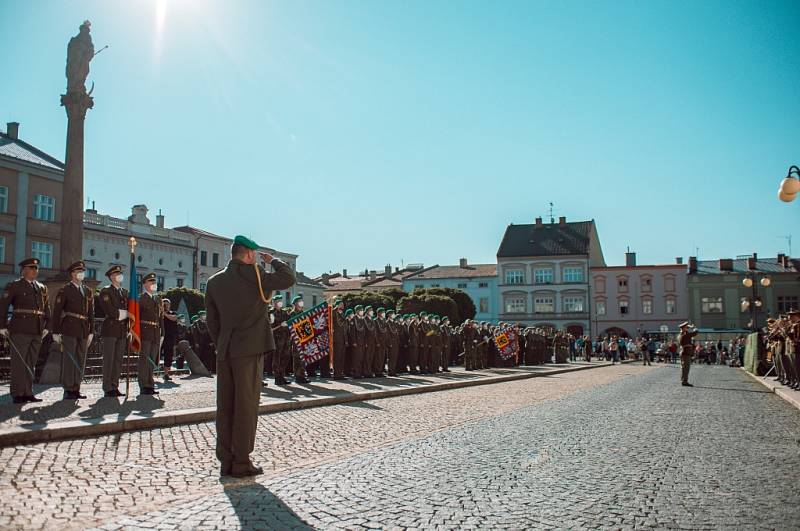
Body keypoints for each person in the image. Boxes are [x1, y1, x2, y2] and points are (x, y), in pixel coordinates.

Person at [205, 235, 295, 478]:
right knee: (245, 406)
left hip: (225, 350)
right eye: (254, 254)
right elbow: (289, 278)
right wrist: (273, 260)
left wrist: (222, 342)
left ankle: (226, 460)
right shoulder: (255, 276)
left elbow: (212, 321)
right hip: (250, 350)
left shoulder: (214, 281)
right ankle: (242, 461)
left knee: (225, 405)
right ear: (249, 254)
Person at [0, 258, 50, 403]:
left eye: (36, 268)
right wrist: (2, 326)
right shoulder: (14, 285)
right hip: (20, 328)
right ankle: (17, 393)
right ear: (24, 270)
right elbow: (3, 306)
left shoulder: (42, 287)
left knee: (31, 362)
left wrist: (47, 326)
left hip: (37, 328)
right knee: (19, 362)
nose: (35, 270)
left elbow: (47, 309)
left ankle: (28, 392)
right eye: (31, 267)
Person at [52, 261, 95, 400]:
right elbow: (57, 311)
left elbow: (91, 313)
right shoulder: (65, 290)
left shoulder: (88, 291)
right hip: (69, 327)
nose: (81, 273)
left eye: (82, 271)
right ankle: (68, 388)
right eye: (78, 271)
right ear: (72, 274)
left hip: (83, 328)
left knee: (80, 359)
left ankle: (76, 387)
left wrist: (91, 331)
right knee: (70, 359)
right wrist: (55, 331)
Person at [97, 265, 129, 397]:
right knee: (109, 359)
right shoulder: (106, 291)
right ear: (111, 277)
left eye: (120, 273)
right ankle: (107, 387)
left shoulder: (124, 292)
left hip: (122, 330)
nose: (119, 276)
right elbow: (109, 310)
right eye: (116, 274)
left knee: (118, 360)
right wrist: (126, 313)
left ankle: (114, 385)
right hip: (110, 329)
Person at [137, 273, 163, 396]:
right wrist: (137, 334)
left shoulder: (158, 299)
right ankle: (144, 385)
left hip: (155, 332)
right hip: (145, 331)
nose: (154, 284)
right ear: (145, 284)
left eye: (154, 282)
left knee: (153, 359)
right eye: (151, 282)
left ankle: (150, 383)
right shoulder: (141, 298)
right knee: (145, 359)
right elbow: (136, 318)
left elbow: (161, 317)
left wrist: (162, 332)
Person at [161, 298, 179, 381]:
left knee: (168, 355)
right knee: (156, 354)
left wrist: (165, 314)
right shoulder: (159, 313)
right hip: (160, 337)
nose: (166, 305)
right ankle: (150, 373)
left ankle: (166, 374)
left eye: (167, 304)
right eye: (164, 304)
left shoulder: (173, 313)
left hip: (169, 337)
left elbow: (174, 318)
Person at [678, 321, 698, 386]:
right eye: (686, 327)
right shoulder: (685, 335)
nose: (688, 328)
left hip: (684, 352)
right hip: (686, 353)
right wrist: (693, 327)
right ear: (684, 328)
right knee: (686, 368)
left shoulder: (681, 334)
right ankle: (684, 381)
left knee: (684, 367)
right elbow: (696, 332)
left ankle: (683, 380)